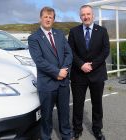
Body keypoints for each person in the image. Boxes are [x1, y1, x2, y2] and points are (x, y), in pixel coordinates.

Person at [28, 6, 73, 140]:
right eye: (45, 17)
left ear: (54, 19)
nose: (48, 19)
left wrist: (64, 70)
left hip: (63, 82)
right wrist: (57, 72)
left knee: (65, 114)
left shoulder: (59, 34)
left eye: (51, 17)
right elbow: (39, 61)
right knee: (46, 117)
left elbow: (69, 53)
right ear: (40, 18)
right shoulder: (33, 38)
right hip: (47, 84)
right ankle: (46, 137)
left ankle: (66, 136)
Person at [68, 5, 110, 140]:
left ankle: (97, 130)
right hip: (78, 74)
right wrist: (81, 65)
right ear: (80, 17)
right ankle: (77, 129)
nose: (85, 17)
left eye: (88, 14)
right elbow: (70, 52)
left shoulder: (102, 31)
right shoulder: (74, 31)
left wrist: (92, 65)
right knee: (78, 103)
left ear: (93, 16)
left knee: (97, 104)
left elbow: (105, 50)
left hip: (97, 73)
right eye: (83, 15)